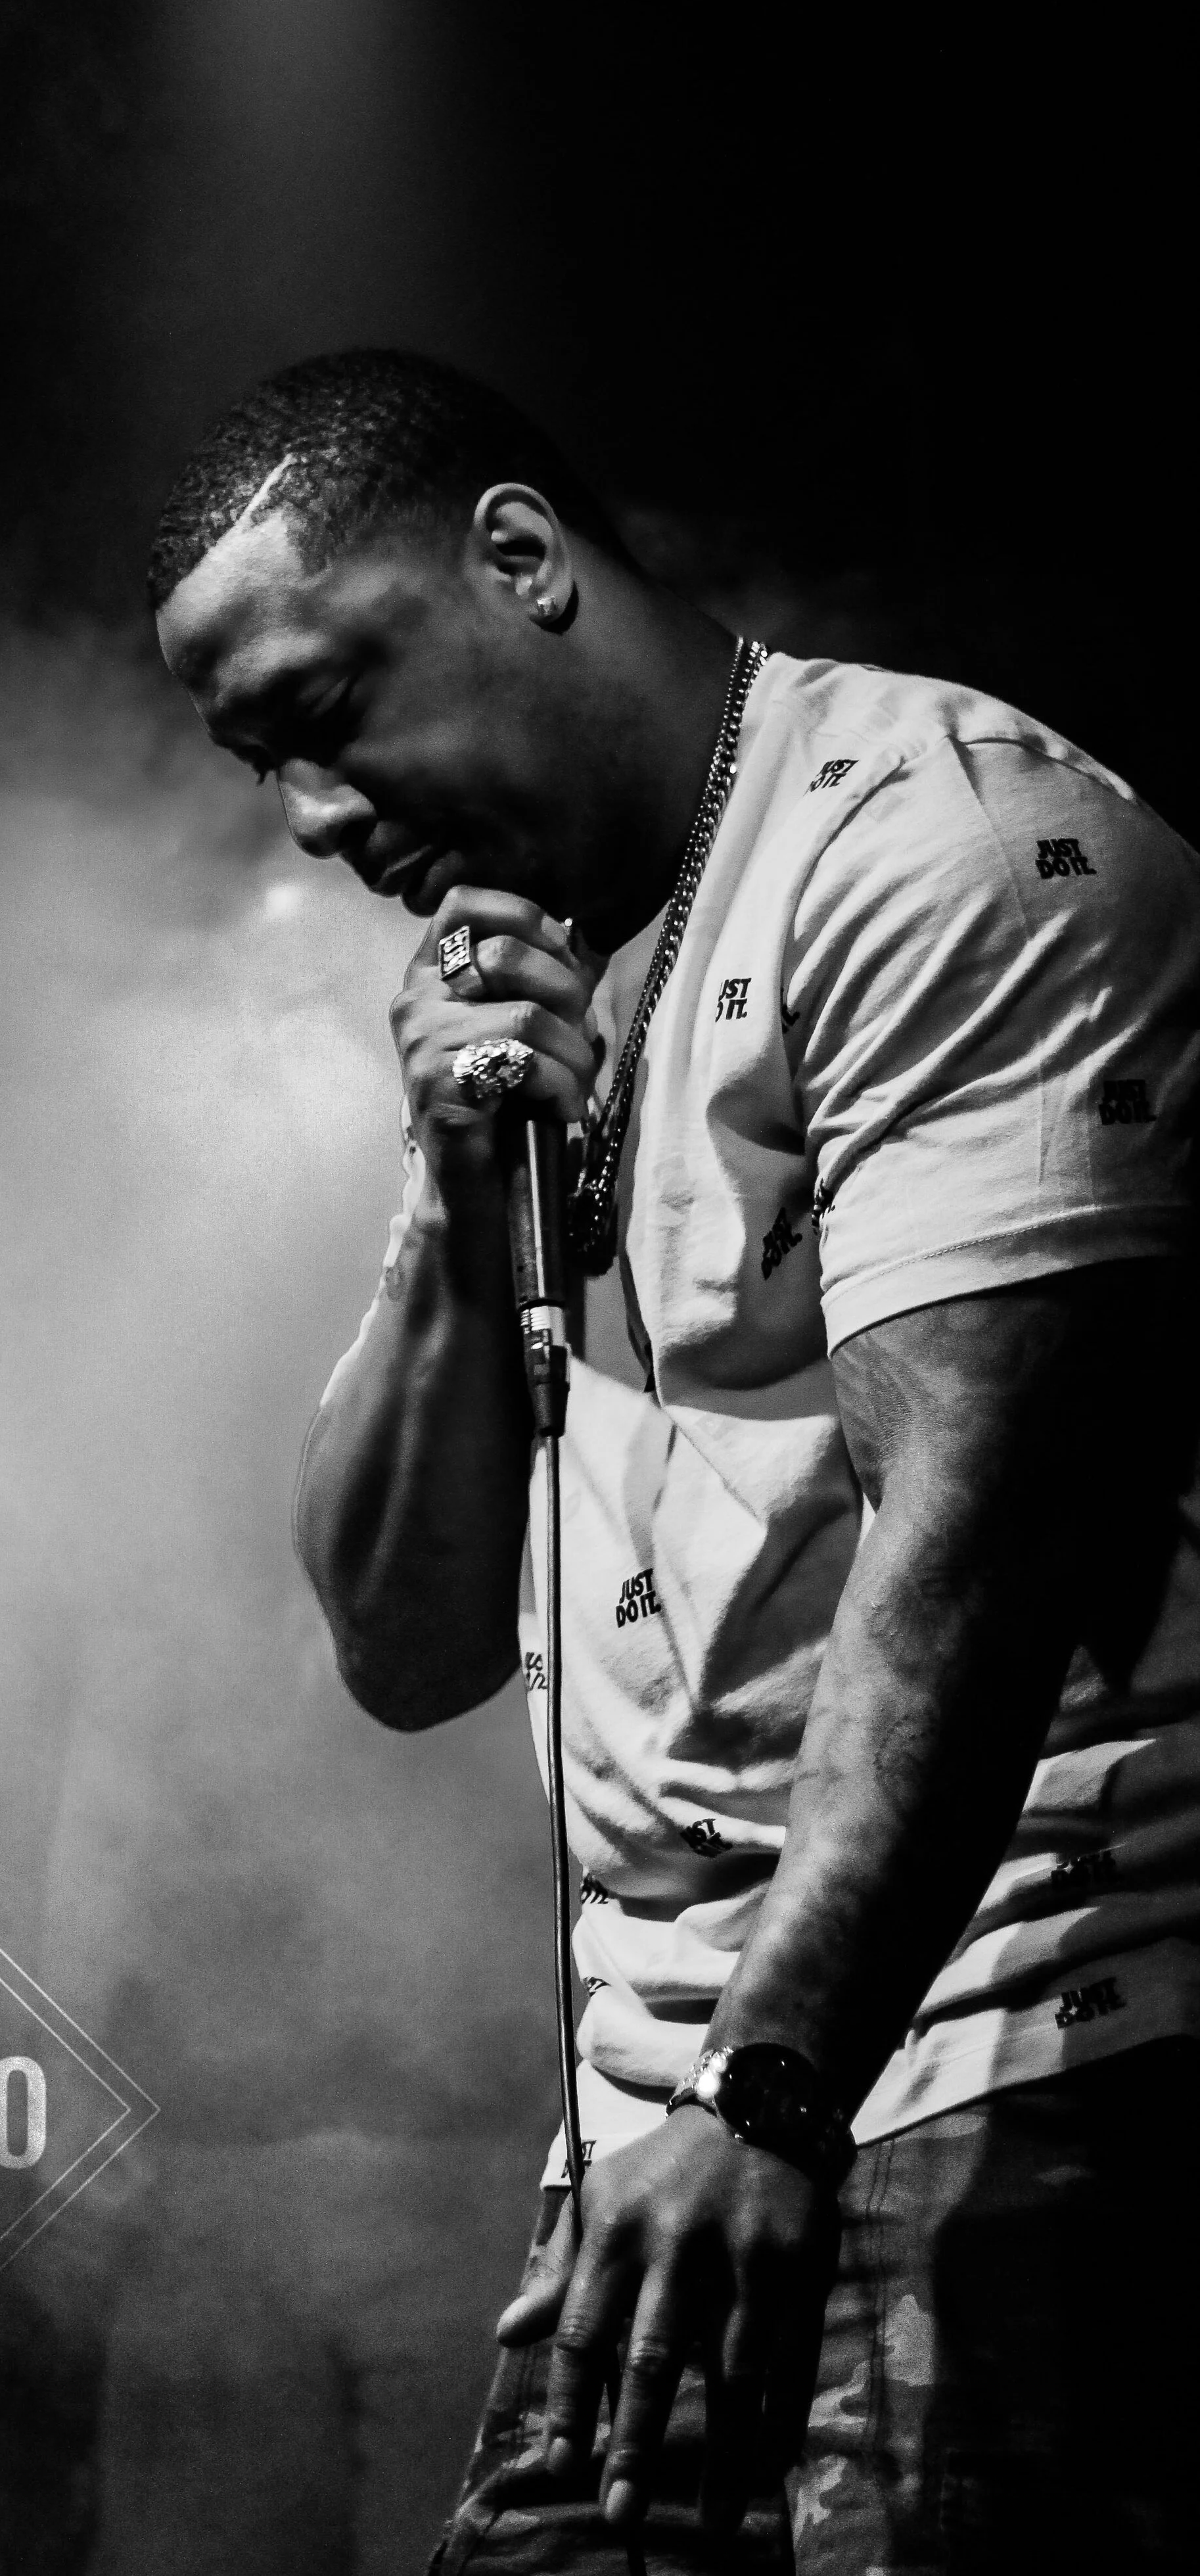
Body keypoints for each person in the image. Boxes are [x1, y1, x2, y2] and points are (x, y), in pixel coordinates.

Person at [149, 349, 1200, 2573]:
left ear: (518, 558)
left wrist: (770, 2083)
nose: (315, 819)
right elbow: (400, 1636)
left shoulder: (937, 841)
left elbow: (977, 1539)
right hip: (673, 2138)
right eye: (264, 769)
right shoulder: (551, 982)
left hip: (990, 2068)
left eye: (325, 713)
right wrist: (451, 1199)